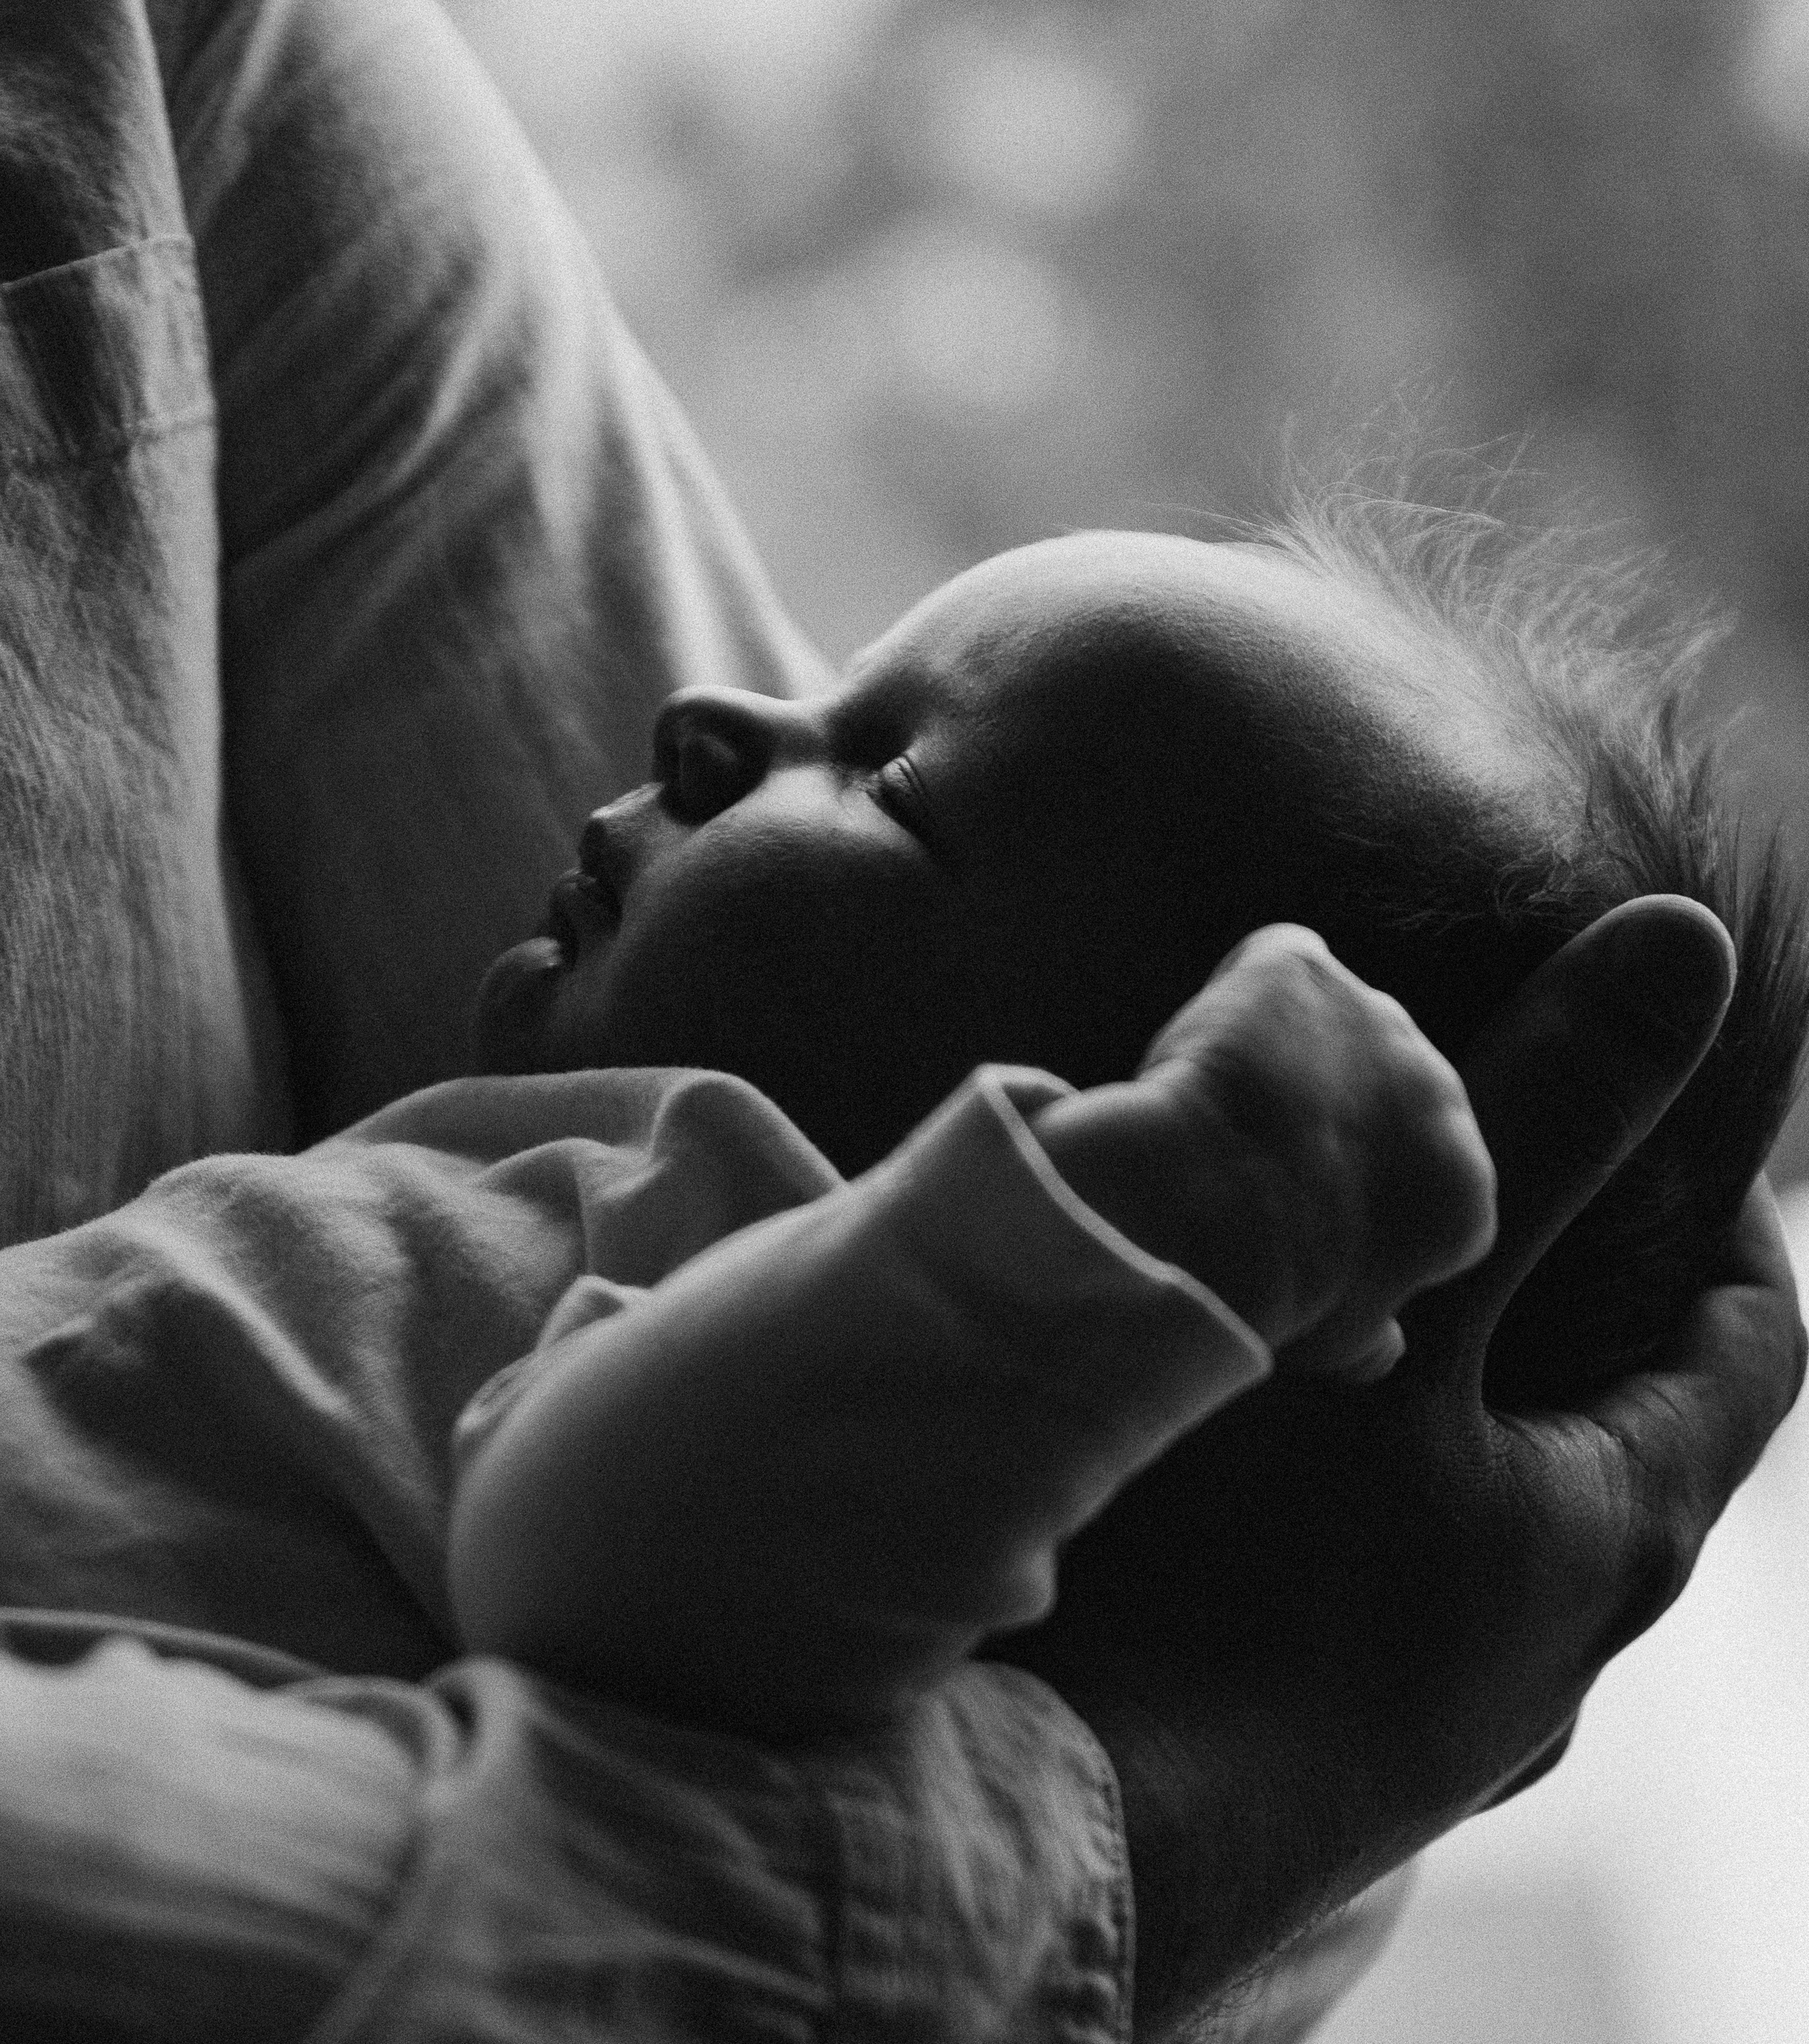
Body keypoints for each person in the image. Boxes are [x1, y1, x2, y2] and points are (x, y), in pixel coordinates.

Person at [0, 0, 1803, 2039]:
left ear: (1081, 1117)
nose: (709, 715)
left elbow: (593, 1565)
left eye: (886, 783)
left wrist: (1106, 1247)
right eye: (845, 697)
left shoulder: (751, 1258)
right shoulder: (599, 1181)